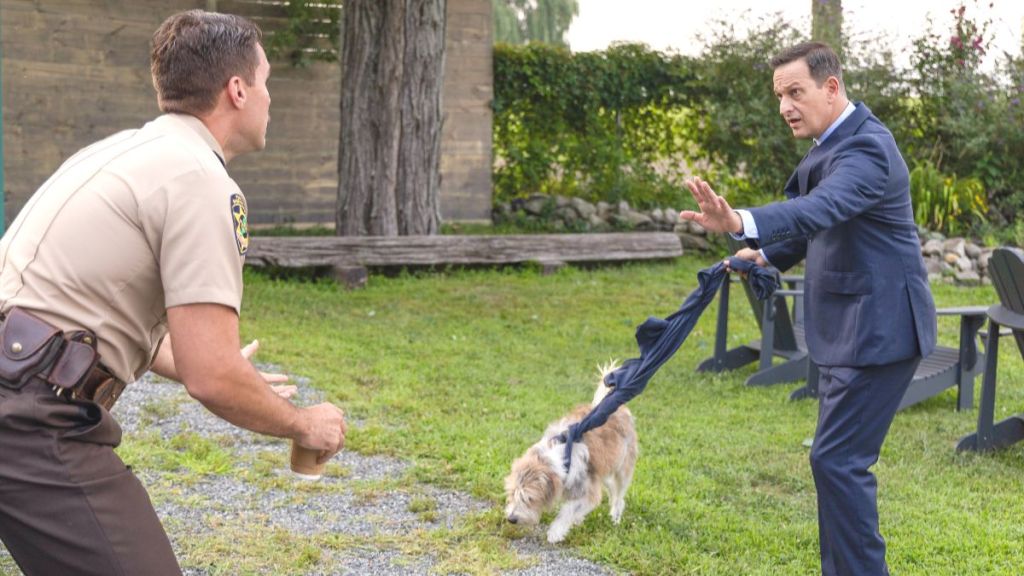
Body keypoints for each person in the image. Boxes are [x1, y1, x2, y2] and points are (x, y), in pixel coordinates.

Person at [0, 10, 347, 576]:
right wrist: (304, 423)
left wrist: (206, 360)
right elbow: (210, 376)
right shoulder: (200, 182)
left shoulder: (119, 151)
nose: (269, 98)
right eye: (265, 82)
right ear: (237, 90)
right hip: (27, 420)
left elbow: (72, 310)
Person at [680, 42, 936, 576]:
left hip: (880, 333)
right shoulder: (834, 141)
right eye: (779, 96)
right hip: (854, 330)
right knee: (836, 463)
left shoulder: (867, 149)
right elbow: (822, 227)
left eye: (795, 92)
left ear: (832, 87)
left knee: (838, 463)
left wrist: (739, 223)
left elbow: (821, 206)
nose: (785, 106)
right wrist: (764, 253)